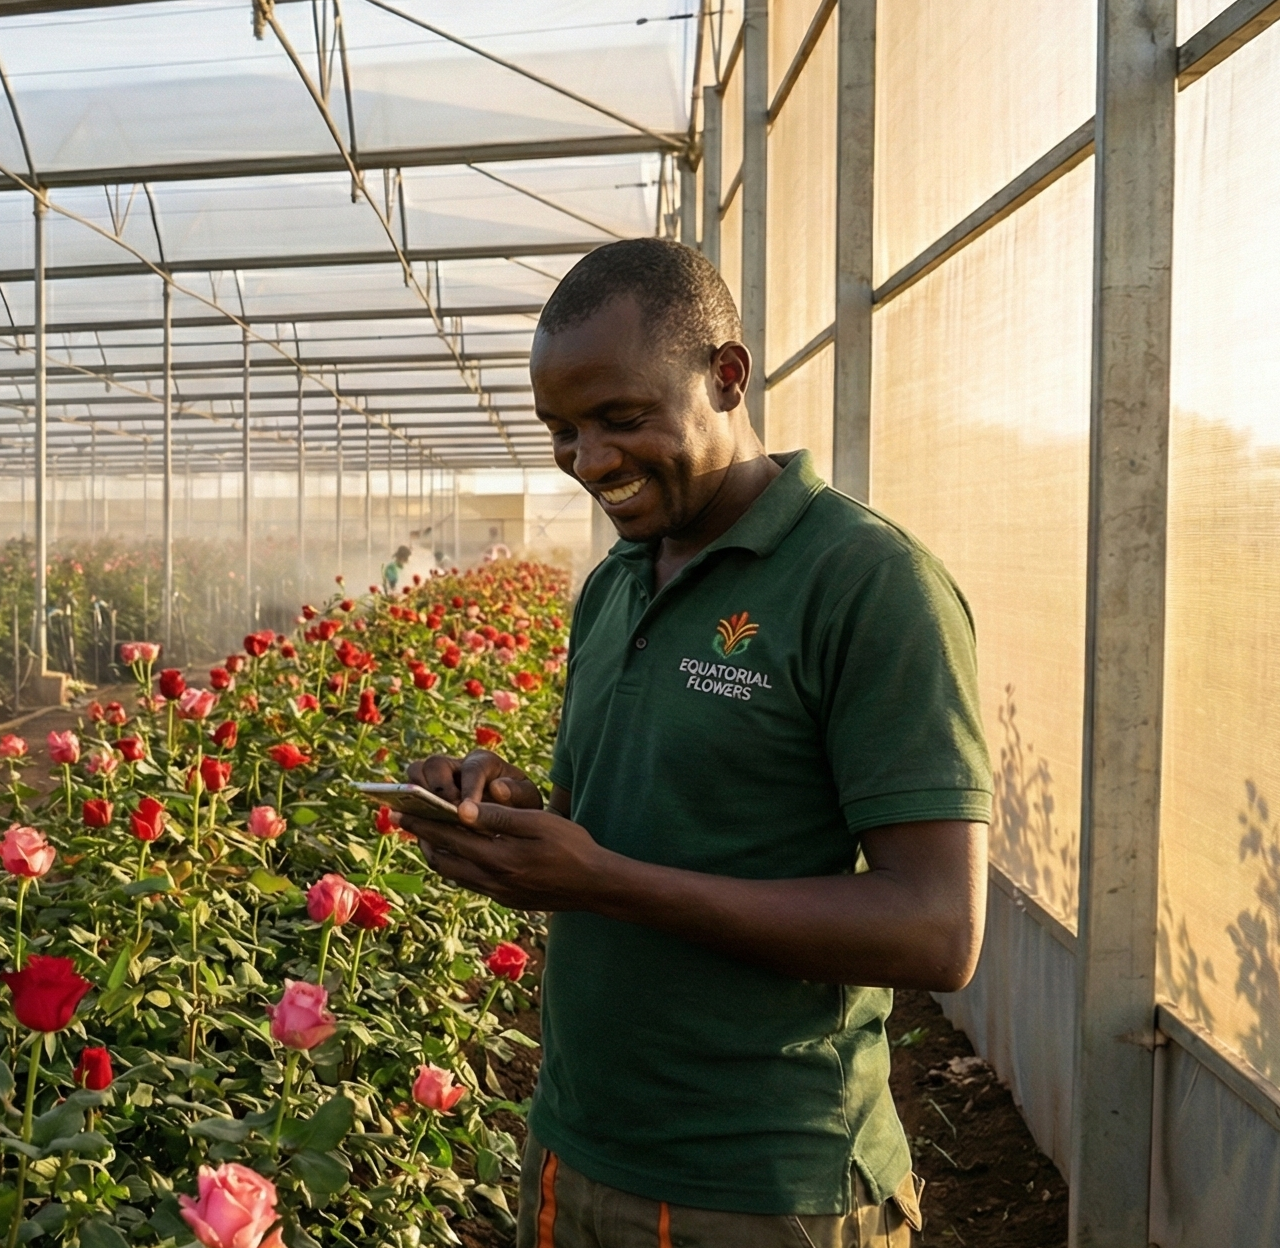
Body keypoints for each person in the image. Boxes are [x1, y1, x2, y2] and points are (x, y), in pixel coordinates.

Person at [400, 238, 988, 1248]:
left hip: (765, 1186)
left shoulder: (868, 585)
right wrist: (511, 812)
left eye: (623, 419)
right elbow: (619, 824)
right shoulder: (617, 584)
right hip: (577, 1147)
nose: (591, 461)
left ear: (725, 376)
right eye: (562, 430)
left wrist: (605, 882)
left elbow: (936, 930)